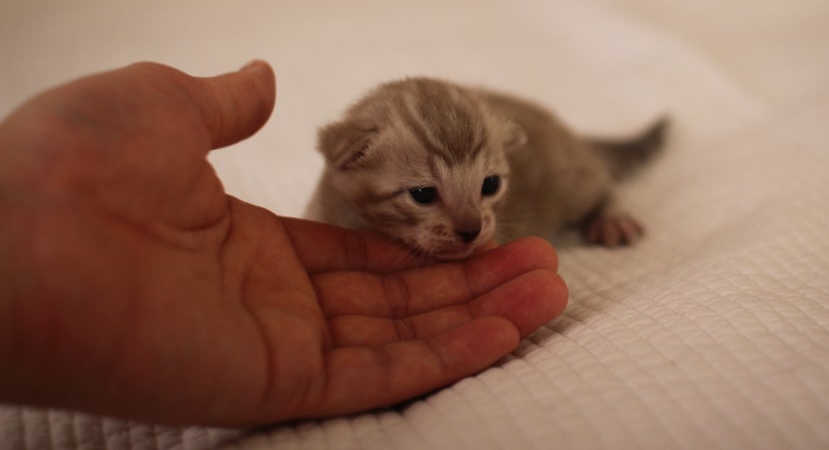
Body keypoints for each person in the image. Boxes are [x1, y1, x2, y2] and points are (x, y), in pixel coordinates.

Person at [0, 61, 568, 427]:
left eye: (488, 188)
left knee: (577, 182)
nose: (471, 226)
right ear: (348, 162)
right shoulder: (352, 168)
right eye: (424, 194)